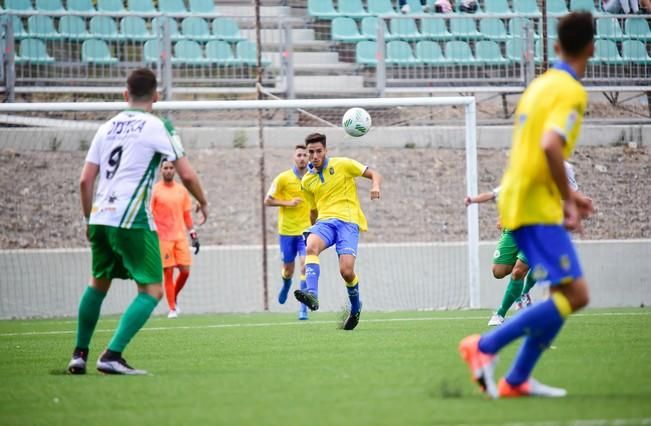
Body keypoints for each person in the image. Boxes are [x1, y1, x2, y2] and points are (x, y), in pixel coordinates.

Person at [459, 12, 595, 398]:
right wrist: (568, 199)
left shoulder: (539, 85)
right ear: (591, 48)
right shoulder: (570, 91)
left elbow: (534, 148)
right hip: (536, 206)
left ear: (555, 47)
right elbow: (551, 145)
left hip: (520, 198)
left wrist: (569, 196)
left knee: (563, 294)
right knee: (576, 294)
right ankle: (483, 347)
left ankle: (517, 379)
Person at [67, 68, 208, 375]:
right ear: (156, 96)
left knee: (97, 284)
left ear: (124, 94)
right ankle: (112, 355)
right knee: (153, 290)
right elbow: (186, 174)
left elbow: (84, 181)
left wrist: (89, 220)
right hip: (131, 219)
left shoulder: (105, 128)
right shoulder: (159, 125)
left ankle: (79, 354)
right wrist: (203, 200)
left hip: (100, 216)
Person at [465, 161, 582, 327]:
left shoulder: (563, 168)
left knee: (518, 271)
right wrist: (476, 201)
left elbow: (571, 196)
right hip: (515, 228)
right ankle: (523, 288)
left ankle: (501, 313)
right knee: (498, 271)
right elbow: (500, 193)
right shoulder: (524, 163)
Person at [293, 133, 382, 331]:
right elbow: (313, 210)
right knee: (311, 247)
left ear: (325, 151)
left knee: (346, 271)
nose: (314, 155)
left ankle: (356, 307)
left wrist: (375, 185)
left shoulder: (343, 164)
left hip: (348, 223)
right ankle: (312, 295)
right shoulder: (307, 181)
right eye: (311, 152)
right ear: (307, 154)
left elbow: (374, 173)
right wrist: (313, 228)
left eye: (318, 151)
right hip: (325, 223)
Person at [264, 145, 312, 320]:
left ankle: (303, 308)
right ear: (294, 157)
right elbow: (267, 201)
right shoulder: (283, 178)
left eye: (305, 155)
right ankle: (286, 283)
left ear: (309, 157)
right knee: (288, 269)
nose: (302, 158)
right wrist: (288, 203)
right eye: (299, 155)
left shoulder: (313, 177)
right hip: (287, 231)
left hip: (306, 231)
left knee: (306, 265)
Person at [151, 160, 200, 319]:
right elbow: (149, 214)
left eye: (172, 168)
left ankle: (174, 297)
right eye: (166, 168)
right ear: (161, 170)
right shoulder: (155, 191)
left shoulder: (182, 191)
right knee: (168, 272)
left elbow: (186, 214)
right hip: (163, 238)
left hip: (180, 237)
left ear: (175, 171)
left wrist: (193, 233)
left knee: (185, 271)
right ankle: (172, 308)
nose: (169, 170)